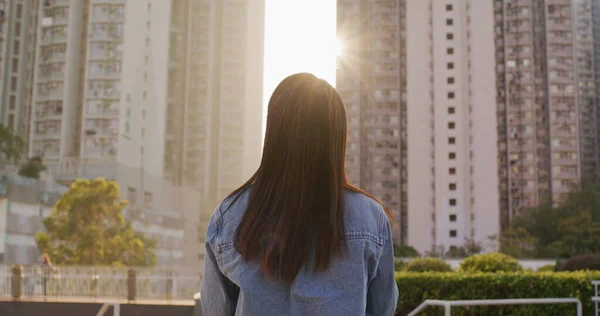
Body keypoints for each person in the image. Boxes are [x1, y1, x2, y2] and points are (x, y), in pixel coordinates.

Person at [200, 73, 398, 315]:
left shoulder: (229, 216)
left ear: (274, 131)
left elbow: (216, 310)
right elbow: (382, 309)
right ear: (336, 137)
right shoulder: (369, 218)